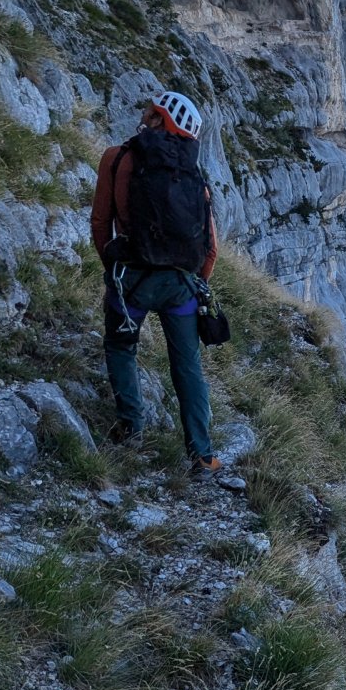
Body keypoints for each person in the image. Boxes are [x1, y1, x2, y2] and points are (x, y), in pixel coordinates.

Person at [90, 89, 222, 478]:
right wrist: (194, 283)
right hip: (180, 286)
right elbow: (211, 249)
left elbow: (100, 222)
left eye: (150, 112)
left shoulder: (116, 158)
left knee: (120, 347)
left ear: (161, 119)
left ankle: (131, 428)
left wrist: (114, 269)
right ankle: (202, 456)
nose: (144, 115)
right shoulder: (195, 177)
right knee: (187, 365)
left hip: (130, 279)